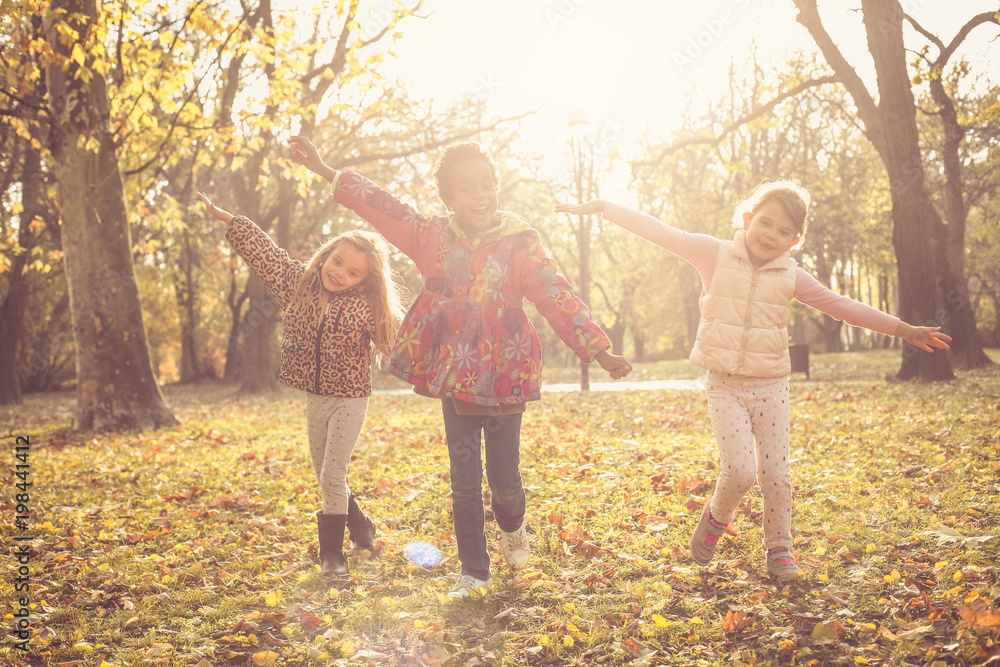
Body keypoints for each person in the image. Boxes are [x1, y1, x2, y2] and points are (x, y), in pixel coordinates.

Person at [287, 136, 633, 598]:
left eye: (487, 185)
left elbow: (555, 292)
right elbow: (383, 207)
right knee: (464, 481)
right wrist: (328, 171)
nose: (481, 195)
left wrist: (598, 348)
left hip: (507, 378)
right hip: (457, 378)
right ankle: (474, 570)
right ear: (449, 198)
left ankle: (514, 531)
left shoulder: (519, 244)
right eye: (467, 188)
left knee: (505, 480)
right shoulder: (432, 237)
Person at [555, 181, 950, 581]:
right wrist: (605, 207)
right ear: (746, 220)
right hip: (724, 385)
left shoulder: (792, 276)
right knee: (741, 471)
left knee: (776, 474)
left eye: (783, 231)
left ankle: (780, 548)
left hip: (771, 386)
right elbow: (660, 231)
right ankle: (716, 517)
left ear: (795, 240)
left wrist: (903, 330)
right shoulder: (713, 253)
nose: (770, 235)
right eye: (764, 223)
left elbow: (843, 306)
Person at [197, 191, 405, 579]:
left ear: (365, 279)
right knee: (326, 474)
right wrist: (231, 221)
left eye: (352, 272)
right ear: (326, 255)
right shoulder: (299, 285)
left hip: (351, 399)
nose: (339, 272)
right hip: (316, 398)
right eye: (337, 261)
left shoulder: (369, 306)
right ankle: (360, 525)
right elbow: (267, 255)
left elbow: (406, 340)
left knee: (331, 473)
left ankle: (332, 558)